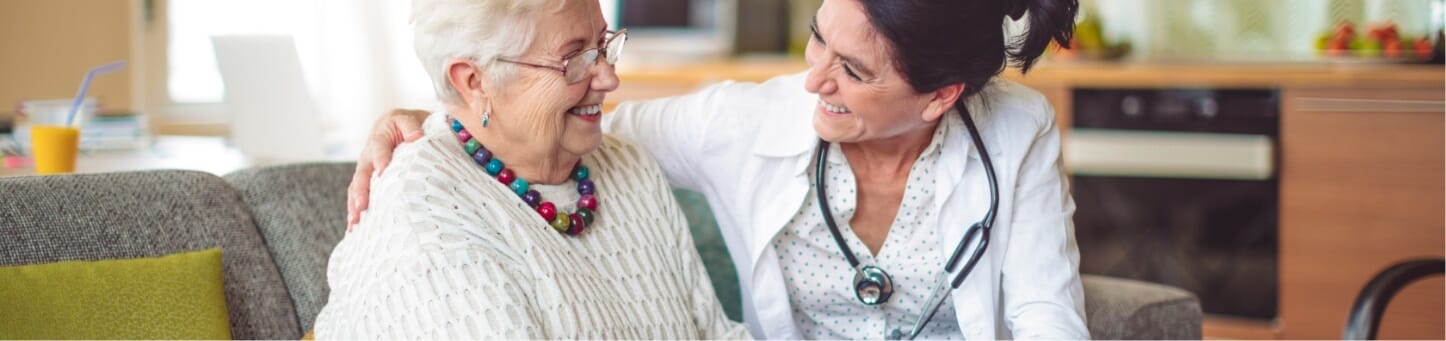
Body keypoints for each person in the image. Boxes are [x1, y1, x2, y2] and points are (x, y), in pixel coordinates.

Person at [349, 0, 1088, 339]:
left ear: (940, 96)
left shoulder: (1014, 132)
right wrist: (436, 117)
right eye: (815, 41)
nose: (814, 81)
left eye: (854, 70)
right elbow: (563, 127)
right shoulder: (744, 122)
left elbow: (1046, 316)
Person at [312, 0, 749, 338]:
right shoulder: (426, 218)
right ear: (474, 81)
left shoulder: (626, 163)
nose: (608, 78)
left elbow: (714, 333)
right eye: (574, 57)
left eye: (604, 46)